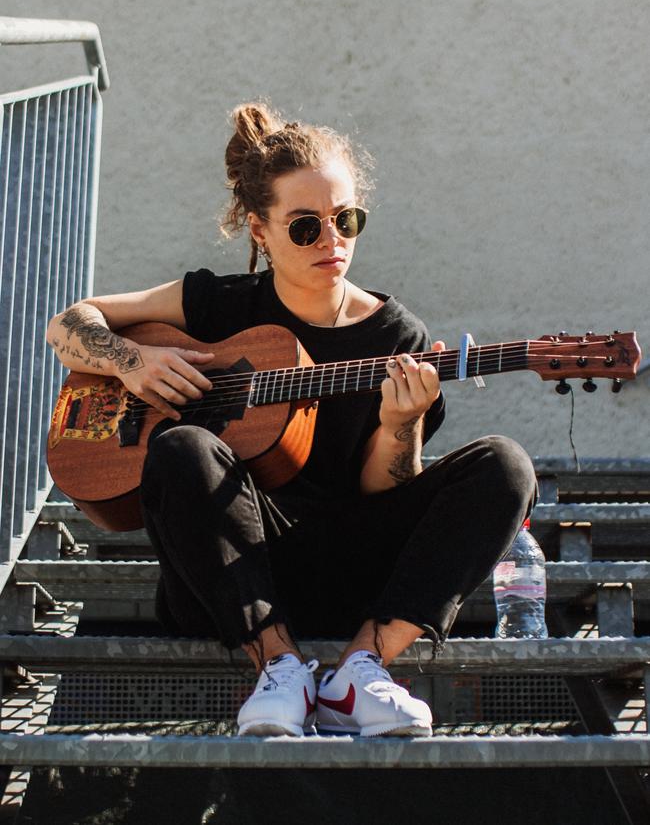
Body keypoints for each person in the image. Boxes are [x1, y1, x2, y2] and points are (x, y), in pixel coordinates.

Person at [46, 101, 537, 739]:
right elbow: (69, 325)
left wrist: (401, 427)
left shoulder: (397, 334)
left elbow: (378, 492)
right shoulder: (218, 305)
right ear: (261, 231)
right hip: (232, 574)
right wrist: (132, 361)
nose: (332, 242)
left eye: (346, 220)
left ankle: (363, 670)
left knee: (505, 464)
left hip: (354, 570)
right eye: (306, 227)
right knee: (183, 447)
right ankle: (279, 670)